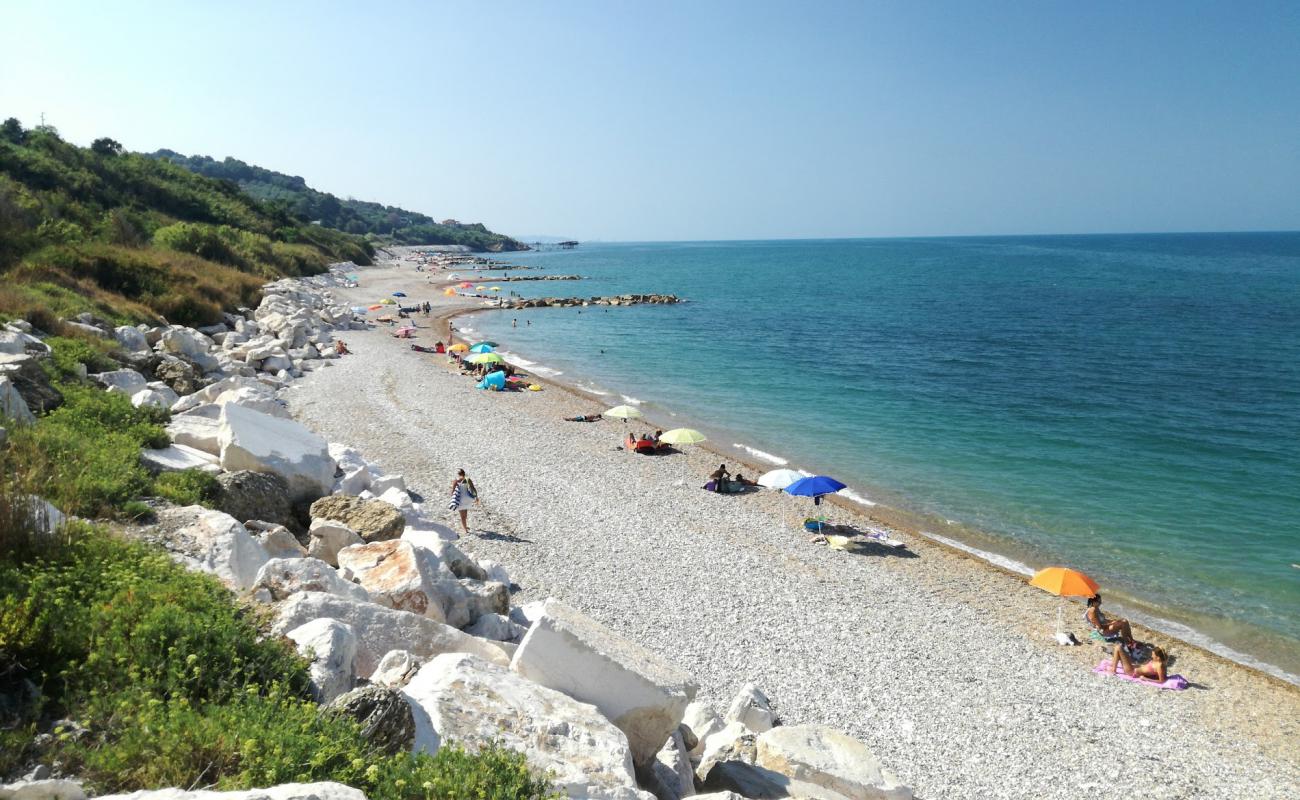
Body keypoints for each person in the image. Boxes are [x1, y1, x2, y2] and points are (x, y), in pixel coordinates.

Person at [448, 469, 479, 536]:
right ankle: (465, 526)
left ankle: (465, 529)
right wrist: (476, 497)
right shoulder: (467, 479)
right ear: (464, 473)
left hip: (460, 499)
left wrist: (453, 498)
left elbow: (452, 491)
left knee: (462, 516)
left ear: (458, 474)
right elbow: (473, 488)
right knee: (465, 514)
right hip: (467, 499)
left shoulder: (456, 481)